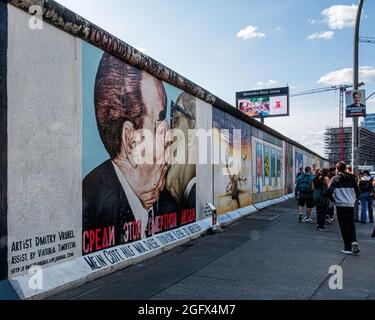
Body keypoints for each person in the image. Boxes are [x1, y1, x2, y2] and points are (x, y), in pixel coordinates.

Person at [82, 53, 194, 255]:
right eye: (160, 119)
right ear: (130, 139)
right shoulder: (88, 208)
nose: (169, 136)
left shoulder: (169, 204)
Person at [327, 162, 361, 255]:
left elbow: (328, 191)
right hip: (350, 204)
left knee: (343, 225)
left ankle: (347, 247)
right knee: (350, 224)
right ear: (346, 168)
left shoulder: (335, 179)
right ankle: (354, 240)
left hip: (340, 205)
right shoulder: (352, 178)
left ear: (337, 169)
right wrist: (353, 199)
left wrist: (333, 200)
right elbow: (358, 193)